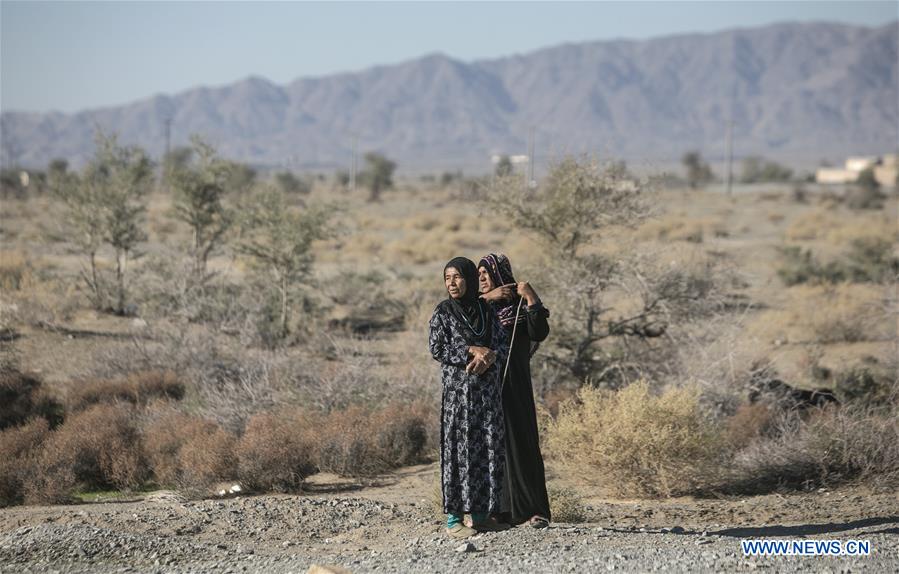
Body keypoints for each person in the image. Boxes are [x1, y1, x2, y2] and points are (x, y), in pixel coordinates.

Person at [428, 257, 509, 538]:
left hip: (487, 398)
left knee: (487, 451)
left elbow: (501, 342)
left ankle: (481, 516)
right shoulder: (444, 312)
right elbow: (437, 348)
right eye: (447, 278)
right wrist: (470, 350)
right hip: (458, 401)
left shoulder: (486, 311)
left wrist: (490, 355)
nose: (451, 283)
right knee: (459, 454)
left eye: (457, 277)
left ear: (470, 280)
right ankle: (454, 520)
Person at [478, 253, 551, 528]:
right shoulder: (480, 309)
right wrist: (486, 299)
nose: (482, 278)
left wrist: (531, 296)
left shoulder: (519, 308)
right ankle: (499, 512)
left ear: (500, 275)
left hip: (515, 387)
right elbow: (458, 322)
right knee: (491, 450)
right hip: (485, 391)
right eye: (479, 274)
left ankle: (534, 510)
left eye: (486, 273)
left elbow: (539, 331)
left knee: (522, 446)